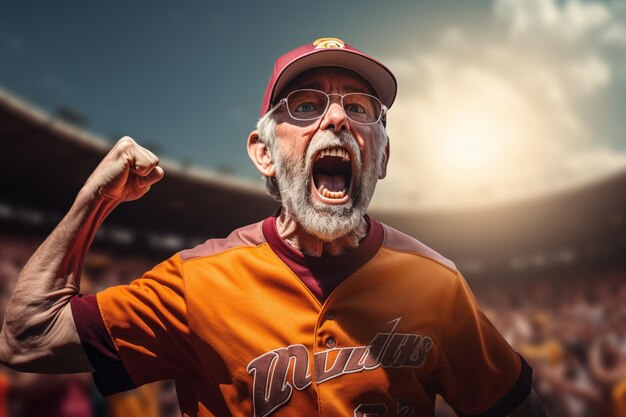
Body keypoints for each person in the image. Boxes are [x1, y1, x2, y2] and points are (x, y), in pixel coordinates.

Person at [0, 37, 547, 417]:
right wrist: (92, 201)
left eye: (360, 108)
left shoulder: (437, 284)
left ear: (381, 158)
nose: (337, 119)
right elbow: (26, 339)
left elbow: (515, 408)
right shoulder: (199, 282)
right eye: (306, 106)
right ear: (263, 153)